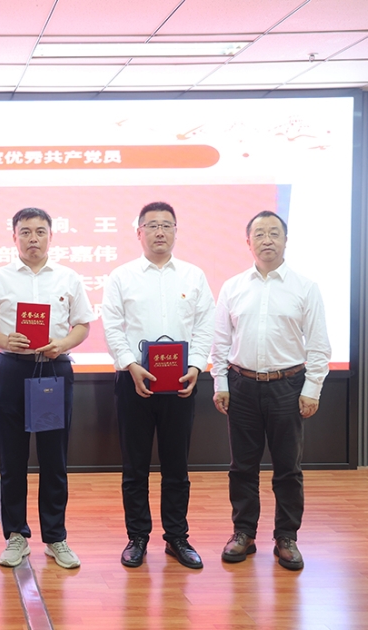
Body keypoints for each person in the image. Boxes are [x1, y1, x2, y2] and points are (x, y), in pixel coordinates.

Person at [211, 210, 331, 571]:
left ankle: (286, 537)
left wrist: (312, 389)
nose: (267, 240)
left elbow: (319, 345)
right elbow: (221, 342)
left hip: (288, 386)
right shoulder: (232, 287)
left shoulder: (305, 287)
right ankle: (243, 533)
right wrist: (221, 383)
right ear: (248, 242)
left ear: (286, 240)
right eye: (260, 233)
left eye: (274, 233)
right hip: (242, 385)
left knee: (288, 468)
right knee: (242, 467)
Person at [0, 207, 93, 569]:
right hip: (13, 368)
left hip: (53, 369)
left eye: (40, 232)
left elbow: (82, 325)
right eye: (25, 232)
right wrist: (5, 340)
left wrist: (63, 343)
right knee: (12, 458)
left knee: (53, 458)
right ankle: (16, 535)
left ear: (50, 236)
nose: (33, 239)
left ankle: (56, 536)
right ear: (14, 237)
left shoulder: (68, 278)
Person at [102, 201, 215, 570]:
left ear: (176, 232)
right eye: (152, 225)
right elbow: (112, 326)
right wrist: (130, 364)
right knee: (135, 466)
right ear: (139, 232)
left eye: (167, 225)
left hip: (181, 383)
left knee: (176, 466)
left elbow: (205, 326)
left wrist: (197, 365)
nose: (160, 232)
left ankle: (177, 537)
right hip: (133, 382)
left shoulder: (194, 276)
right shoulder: (121, 276)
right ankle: (137, 537)